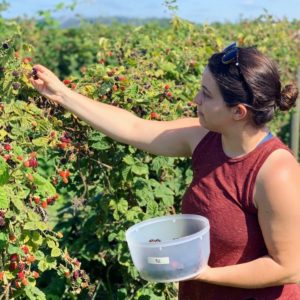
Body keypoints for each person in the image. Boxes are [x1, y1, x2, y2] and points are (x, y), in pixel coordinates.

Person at [30, 42, 300, 300]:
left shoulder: (276, 172)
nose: (196, 99)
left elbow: (289, 267)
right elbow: (134, 128)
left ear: (239, 112)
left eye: (206, 94)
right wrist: (61, 93)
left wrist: (203, 273)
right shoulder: (205, 137)